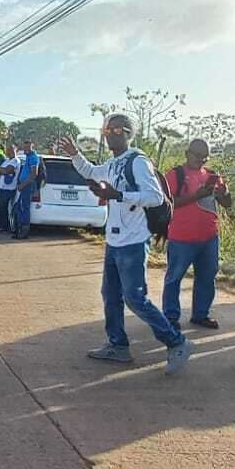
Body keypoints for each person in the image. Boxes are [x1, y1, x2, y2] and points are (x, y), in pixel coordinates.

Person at [57, 115, 194, 375]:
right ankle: (118, 345)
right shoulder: (113, 163)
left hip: (133, 241)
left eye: (114, 129)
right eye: (105, 129)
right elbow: (91, 172)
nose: (108, 134)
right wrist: (75, 154)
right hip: (115, 240)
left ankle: (177, 342)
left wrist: (118, 195)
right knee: (110, 296)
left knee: (135, 298)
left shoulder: (138, 162)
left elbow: (155, 197)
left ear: (127, 133)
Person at [162, 139, 232, 330]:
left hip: (209, 237)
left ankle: (201, 314)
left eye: (205, 157)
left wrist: (224, 193)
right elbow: (168, 203)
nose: (200, 160)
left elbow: (227, 204)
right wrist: (197, 196)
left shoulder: (211, 175)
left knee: (207, 277)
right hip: (181, 237)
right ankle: (170, 317)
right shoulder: (175, 174)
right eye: (197, 155)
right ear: (187, 153)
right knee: (174, 278)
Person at [12, 139, 41, 239]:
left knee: (25, 208)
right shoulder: (28, 157)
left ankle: (24, 231)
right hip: (24, 186)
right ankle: (19, 229)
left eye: (28, 147)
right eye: (24, 147)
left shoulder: (33, 157)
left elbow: (34, 174)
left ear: (32, 147)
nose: (25, 149)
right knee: (19, 207)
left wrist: (23, 185)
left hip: (27, 186)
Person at [0, 142, 20, 234]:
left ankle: (3, 226)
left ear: (16, 150)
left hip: (9, 189)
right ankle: (1, 225)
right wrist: (1, 171)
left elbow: (8, 170)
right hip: (2, 188)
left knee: (3, 207)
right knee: (1, 207)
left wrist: (2, 171)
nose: (10, 152)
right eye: (8, 150)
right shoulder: (7, 161)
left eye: (12, 150)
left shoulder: (15, 161)